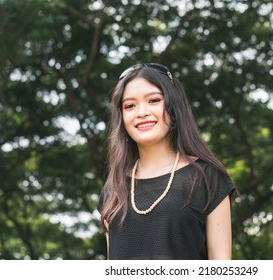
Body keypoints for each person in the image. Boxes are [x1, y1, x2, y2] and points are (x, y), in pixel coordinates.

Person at [98, 63, 236, 260]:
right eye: (130, 105)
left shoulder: (208, 178)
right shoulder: (113, 187)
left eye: (153, 100)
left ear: (173, 106)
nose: (141, 112)